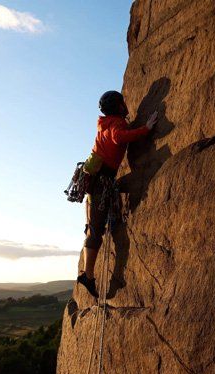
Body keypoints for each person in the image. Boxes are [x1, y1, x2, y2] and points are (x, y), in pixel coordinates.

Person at [77, 91, 158, 297]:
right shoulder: (116, 124)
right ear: (118, 106)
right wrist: (146, 129)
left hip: (95, 182)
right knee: (96, 230)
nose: (125, 105)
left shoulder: (104, 124)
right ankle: (88, 275)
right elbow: (119, 137)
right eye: (122, 103)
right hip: (102, 183)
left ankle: (89, 273)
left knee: (93, 228)